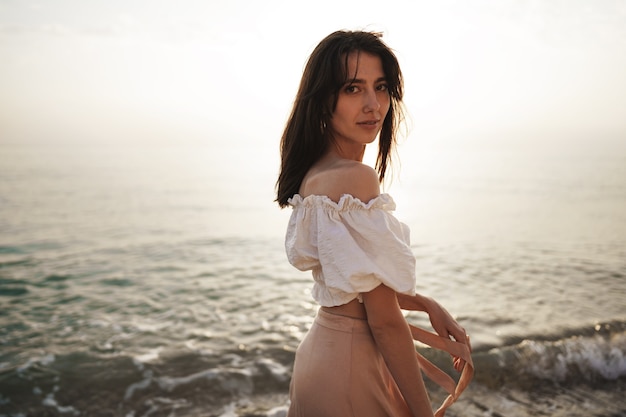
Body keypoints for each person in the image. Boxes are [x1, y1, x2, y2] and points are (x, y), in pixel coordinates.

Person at [276, 30, 473, 417]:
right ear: (322, 100)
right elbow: (383, 321)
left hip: (324, 358)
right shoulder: (354, 179)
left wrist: (425, 303)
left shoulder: (316, 173)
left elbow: (356, 288)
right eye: (353, 88)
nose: (372, 104)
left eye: (380, 87)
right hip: (351, 367)